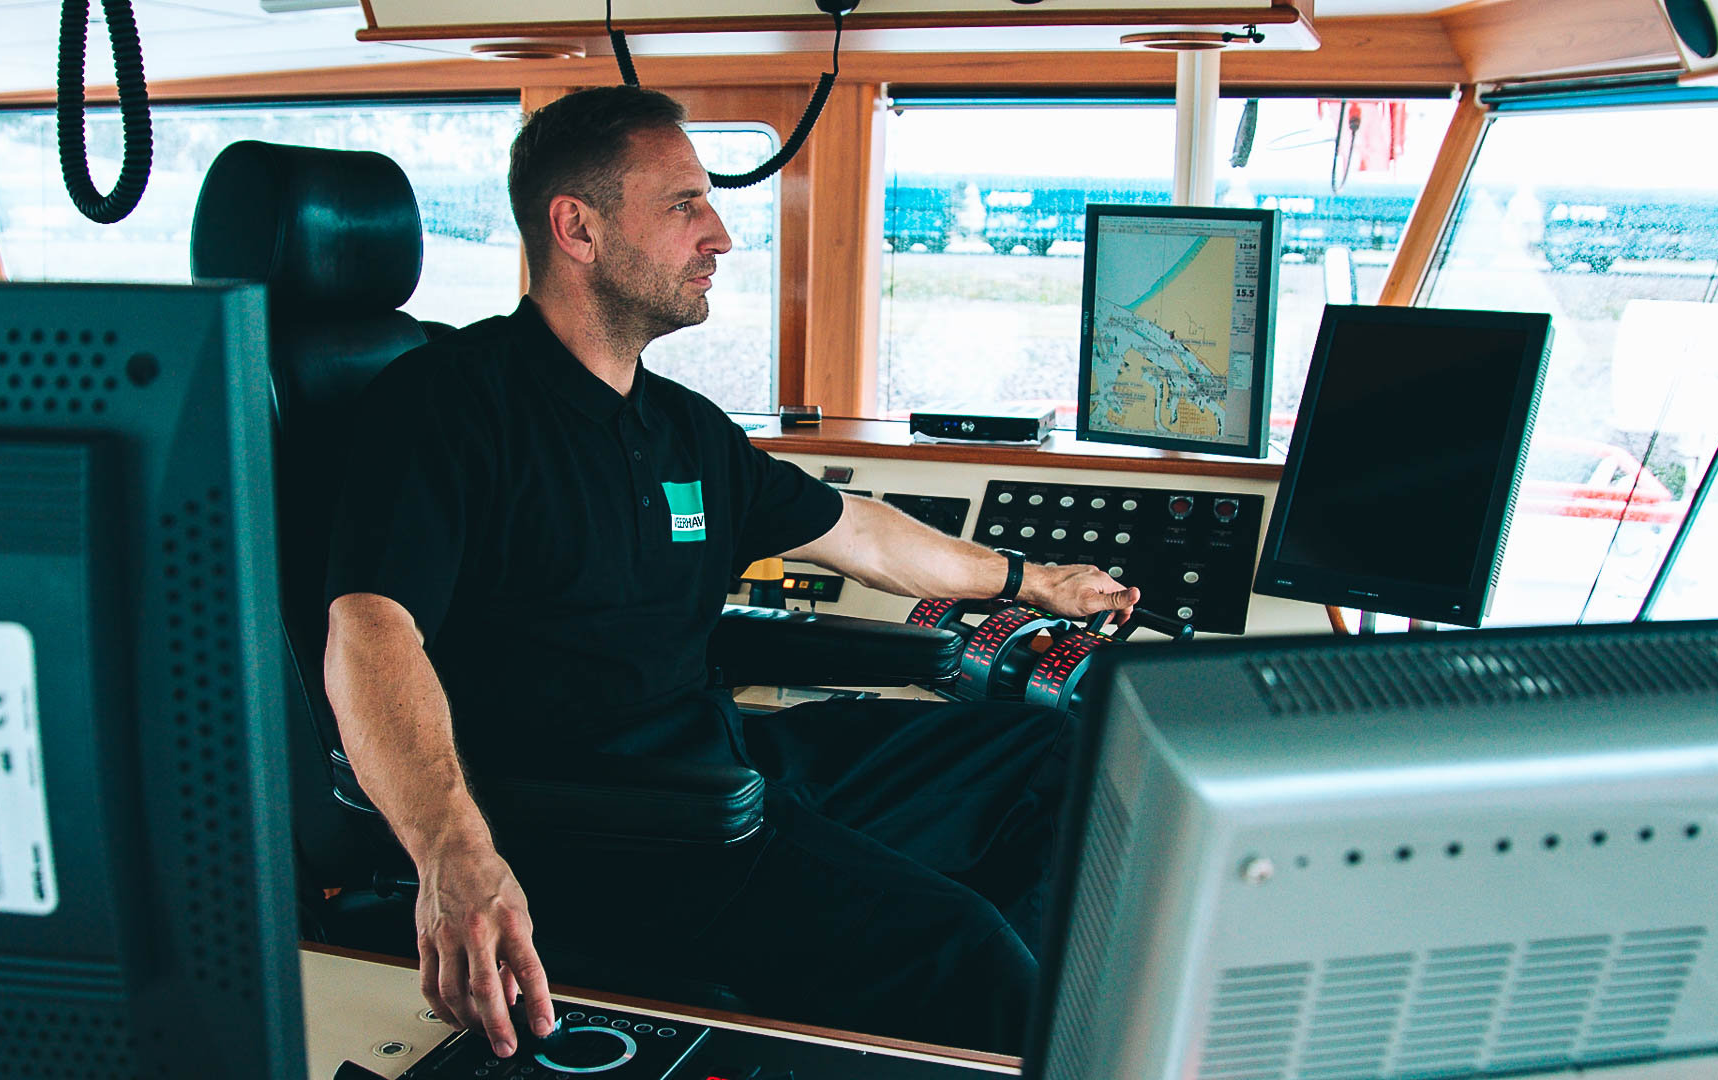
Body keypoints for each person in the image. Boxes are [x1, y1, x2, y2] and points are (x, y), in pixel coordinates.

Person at [322, 84, 1140, 1060]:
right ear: (577, 228)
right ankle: (996, 1006)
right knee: (965, 956)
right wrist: (451, 849)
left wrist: (1032, 580)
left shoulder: (679, 428)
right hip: (602, 825)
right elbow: (370, 631)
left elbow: (865, 536)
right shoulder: (447, 406)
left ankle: (989, 1016)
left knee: (1060, 766)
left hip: (725, 764)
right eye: (684, 205)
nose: (720, 235)